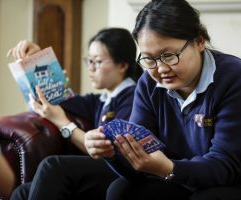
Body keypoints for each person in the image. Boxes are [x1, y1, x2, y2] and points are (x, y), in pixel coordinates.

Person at [84, 1, 241, 200]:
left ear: (199, 41)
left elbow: (223, 167)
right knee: (122, 190)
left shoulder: (237, 79)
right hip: (185, 180)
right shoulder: (148, 84)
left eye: (168, 55)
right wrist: (112, 153)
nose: (160, 69)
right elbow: (140, 167)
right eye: (148, 59)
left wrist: (166, 168)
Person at [8, 28, 142, 200]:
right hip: (104, 168)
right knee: (23, 192)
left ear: (123, 65)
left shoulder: (133, 97)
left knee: (53, 166)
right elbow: (56, 98)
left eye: (98, 62)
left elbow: (109, 150)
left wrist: (62, 123)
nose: (91, 69)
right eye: (89, 61)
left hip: (122, 170)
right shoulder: (101, 100)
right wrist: (35, 59)